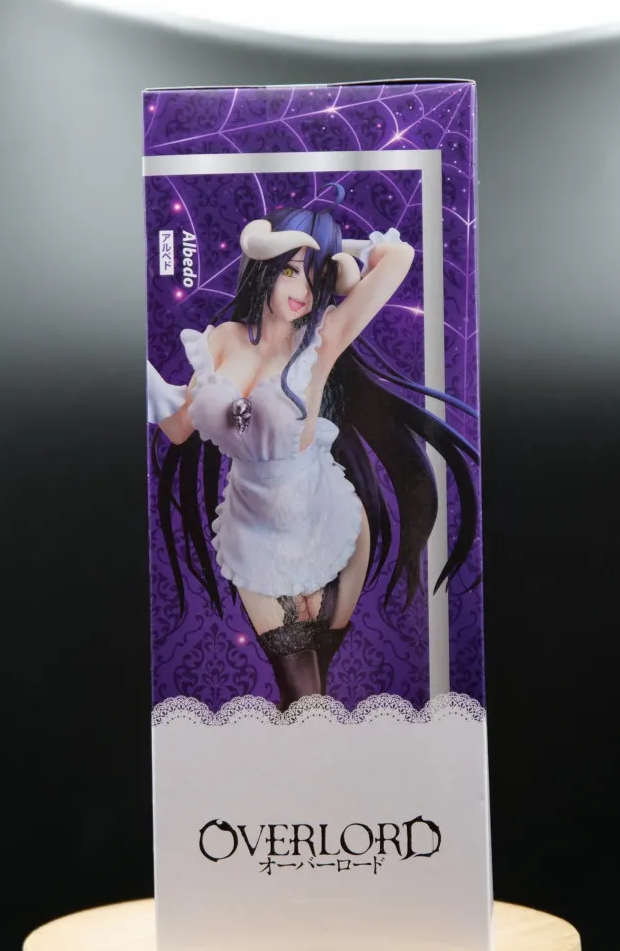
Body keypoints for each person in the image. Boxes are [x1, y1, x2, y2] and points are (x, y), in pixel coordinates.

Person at [148, 193, 480, 709]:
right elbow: (177, 429)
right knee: (302, 695)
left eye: (315, 275)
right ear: (266, 267)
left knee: (312, 696)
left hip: (328, 523)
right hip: (253, 531)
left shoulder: (322, 338)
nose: (303, 290)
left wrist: (337, 253)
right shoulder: (222, 341)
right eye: (290, 271)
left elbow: (400, 257)